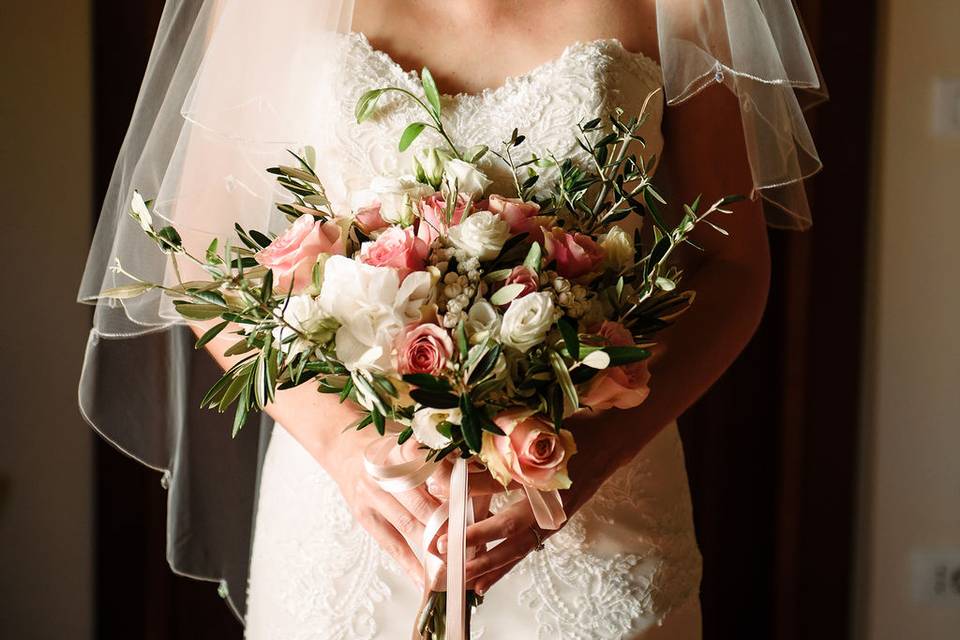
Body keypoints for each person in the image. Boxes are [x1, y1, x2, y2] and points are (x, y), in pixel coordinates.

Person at [78, 1, 825, 638]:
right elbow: (200, 259)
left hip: (598, 504)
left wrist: (588, 460)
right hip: (357, 511)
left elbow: (733, 268)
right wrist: (344, 451)